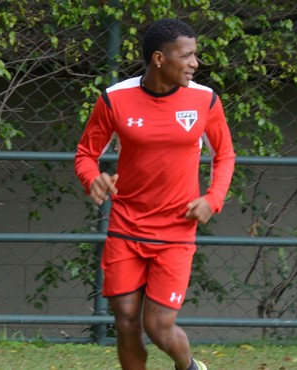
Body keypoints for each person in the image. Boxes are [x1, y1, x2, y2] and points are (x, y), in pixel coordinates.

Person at [74, 18, 235, 370]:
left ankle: (189, 367)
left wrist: (213, 198)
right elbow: (86, 154)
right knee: (126, 322)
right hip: (126, 227)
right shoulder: (115, 99)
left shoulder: (205, 100)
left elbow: (224, 156)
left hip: (177, 230)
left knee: (159, 327)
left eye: (195, 55)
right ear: (160, 59)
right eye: (188, 55)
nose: (196, 63)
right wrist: (92, 179)